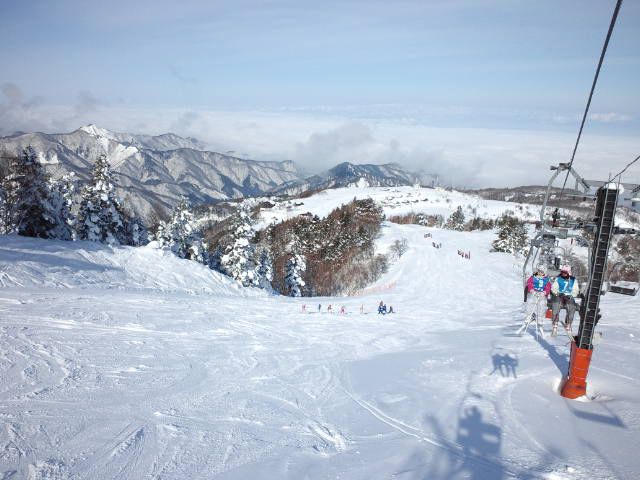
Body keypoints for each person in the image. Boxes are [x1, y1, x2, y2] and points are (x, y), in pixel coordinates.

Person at [521, 265, 551, 335]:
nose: (540, 273)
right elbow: (529, 283)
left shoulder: (546, 279)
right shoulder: (533, 277)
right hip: (534, 293)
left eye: (542, 272)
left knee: (542, 304)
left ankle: (540, 319)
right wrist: (532, 290)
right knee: (530, 301)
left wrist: (544, 292)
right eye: (539, 271)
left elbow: (548, 287)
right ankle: (528, 317)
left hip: (541, 294)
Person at [551, 264, 580, 336]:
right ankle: (555, 323)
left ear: (569, 272)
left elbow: (576, 290)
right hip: (559, 295)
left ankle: (569, 323)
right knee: (556, 305)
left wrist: (572, 295)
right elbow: (554, 287)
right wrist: (557, 293)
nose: (563, 273)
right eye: (562, 272)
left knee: (571, 307)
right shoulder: (558, 278)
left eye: (565, 272)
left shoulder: (573, 280)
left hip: (569, 296)